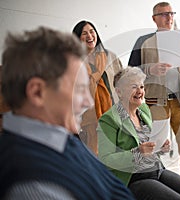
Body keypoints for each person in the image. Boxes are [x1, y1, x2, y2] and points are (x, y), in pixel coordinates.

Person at [0, 27, 135, 200]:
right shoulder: (33, 186)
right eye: (79, 89)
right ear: (37, 93)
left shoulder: (62, 138)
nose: (89, 102)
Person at [97, 67, 180, 200]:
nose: (140, 91)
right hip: (133, 178)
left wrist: (160, 147)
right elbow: (106, 160)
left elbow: (147, 144)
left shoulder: (143, 110)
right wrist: (137, 152)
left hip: (155, 169)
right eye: (134, 87)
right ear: (119, 92)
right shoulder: (108, 120)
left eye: (142, 86)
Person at [128, 1, 180, 184]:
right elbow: (129, 72)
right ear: (154, 18)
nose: (169, 18)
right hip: (154, 103)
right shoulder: (143, 41)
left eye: (171, 13)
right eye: (164, 14)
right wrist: (149, 70)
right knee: (153, 151)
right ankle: (155, 188)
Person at [72, 20, 123, 155]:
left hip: (113, 118)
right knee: (93, 162)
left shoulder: (109, 56)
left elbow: (123, 82)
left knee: (116, 159)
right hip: (87, 124)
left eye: (92, 31)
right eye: (84, 33)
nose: (89, 36)